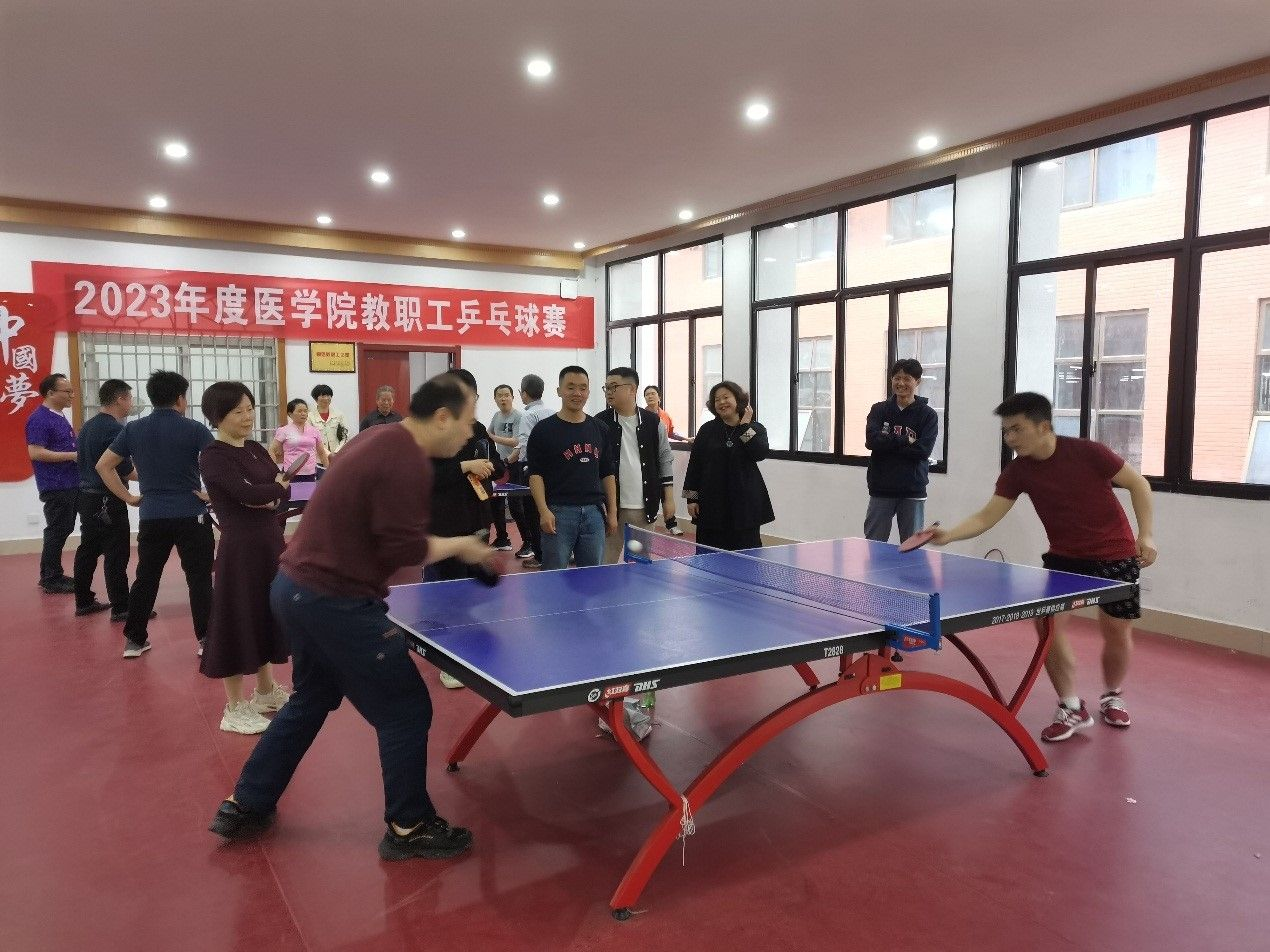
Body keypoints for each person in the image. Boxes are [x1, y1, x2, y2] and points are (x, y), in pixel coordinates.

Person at [207, 373, 495, 863]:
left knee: (312, 698)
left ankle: (246, 802)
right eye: (468, 422)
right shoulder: (406, 460)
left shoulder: (378, 437)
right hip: (334, 600)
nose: (470, 433)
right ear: (444, 417)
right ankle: (409, 826)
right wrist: (466, 546)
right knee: (405, 709)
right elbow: (400, 547)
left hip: (293, 588)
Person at [925, 392, 1157, 743]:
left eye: (1016, 429)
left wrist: (1147, 535)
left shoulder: (1089, 453)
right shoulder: (1018, 471)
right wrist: (950, 535)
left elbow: (1139, 484)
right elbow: (988, 515)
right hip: (1064, 557)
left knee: (1116, 632)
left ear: (1044, 426)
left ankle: (1112, 694)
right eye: (1006, 431)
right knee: (1047, 626)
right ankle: (1071, 706)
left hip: (1115, 555)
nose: (1010, 438)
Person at [96, 370, 215, 659]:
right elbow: (220, 464)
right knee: (199, 579)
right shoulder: (194, 428)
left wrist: (128, 498)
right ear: (180, 398)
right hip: (191, 515)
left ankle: (135, 641)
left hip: (152, 516)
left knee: (146, 578)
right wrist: (211, 493)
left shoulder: (133, 429)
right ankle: (207, 640)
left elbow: (103, 466)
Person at [199, 382, 294, 735]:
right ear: (217, 416)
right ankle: (235, 707)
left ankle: (265, 691)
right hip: (240, 550)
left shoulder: (255, 448)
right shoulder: (213, 455)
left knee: (266, 613)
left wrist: (272, 493)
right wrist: (273, 490)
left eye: (250, 409)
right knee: (237, 618)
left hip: (270, 543)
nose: (247, 416)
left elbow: (276, 490)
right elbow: (247, 493)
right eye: (238, 411)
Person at [527, 366, 617, 570]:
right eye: (571, 387)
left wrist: (612, 513)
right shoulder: (543, 430)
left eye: (583, 388)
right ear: (559, 391)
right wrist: (543, 511)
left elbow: (608, 473)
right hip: (558, 513)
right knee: (554, 576)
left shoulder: (600, 429)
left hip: (594, 513)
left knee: (592, 577)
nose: (577, 393)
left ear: (588, 392)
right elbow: (535, 475)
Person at [683, 381, 774, 550]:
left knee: (746, 554)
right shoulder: (707, 430)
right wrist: (691, 498)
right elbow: (695, 464)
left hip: (744, 505)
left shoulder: (754, 428)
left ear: (738, 399)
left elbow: (759, 453)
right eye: (717, 400)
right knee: (708, 554)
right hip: (711, 503)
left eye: (726, 397)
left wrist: (744, 427)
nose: (721, 402)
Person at [73, 379, 137, 618]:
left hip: (86, 498)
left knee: (88, 550)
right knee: (116, 553)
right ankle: (121, 607)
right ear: (120, 399)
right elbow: (125, 471)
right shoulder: (114, 429)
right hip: (107, 500)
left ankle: (83, 601)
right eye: (130, 398)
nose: (131, 403)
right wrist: (157, 476)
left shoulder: (88, 426)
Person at [599, 367, 676, 564]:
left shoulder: (653, 422)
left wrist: (668, 499)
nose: (609, 391)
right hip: (610, 507)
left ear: (632, 389)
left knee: (640, 561)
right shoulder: (600, 422)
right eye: (606, 387)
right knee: (605, 562)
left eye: (614, 386)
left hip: (644, 506)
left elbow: (664, 458)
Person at [863, 358, 940, 543]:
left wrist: (886, 445)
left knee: (911, 546)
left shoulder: (928, 415)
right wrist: (906, 440)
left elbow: (923, 451)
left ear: (917, 381)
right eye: (897, 378)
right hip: (881, 488)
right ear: (891, 380)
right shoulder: (879, 410)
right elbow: (871, 441)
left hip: (913, 490)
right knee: (873, 544)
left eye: (907, 379)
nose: (901, 383)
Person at [25, 373, 79, 594]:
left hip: (69, 482)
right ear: (50, 393)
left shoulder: (59, 416)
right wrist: (73, 456)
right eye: (67, 391)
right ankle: (50, 577)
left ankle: (52, 573)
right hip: (56, 484)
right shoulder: (40, 419)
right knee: (57, 530)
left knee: (63, 528)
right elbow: (36, 452)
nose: (71, 395)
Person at [506, 373, 554, 568]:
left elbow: (524, 444)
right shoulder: (551, 412)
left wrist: (511, 462)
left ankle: (540, 555)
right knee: (552, 510)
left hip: (532, 470)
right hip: (554, 470)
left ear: (523, 393)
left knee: (533, 513)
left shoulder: (527, 415)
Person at [487, 383, 522, 552]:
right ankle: (502, 538)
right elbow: (488, 435)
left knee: (516, 505)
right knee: (496, 503)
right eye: (499, 396)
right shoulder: (496, 416)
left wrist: (494, 438)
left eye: (506, 395)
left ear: (512, 397)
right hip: (499, 466)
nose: (503, 398)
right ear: (495, 399)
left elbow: (516, 441)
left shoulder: (518, 416)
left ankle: (528, 542)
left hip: (515, 464)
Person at [270, 398, 329, 481]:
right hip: (289, 473)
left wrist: (328, 472)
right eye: (299, 411)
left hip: (310, 473)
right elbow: (272, 450)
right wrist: (273, 471)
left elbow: (322, 453)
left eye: (305, 411)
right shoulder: (283, 430)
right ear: (290, 414)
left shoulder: (314, 430)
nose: (303, 413)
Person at [309, 384, 350, 459]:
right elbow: (311, 439)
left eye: (328, 395)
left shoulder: (339, 415)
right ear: (316, 398)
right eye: (323, 396)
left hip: (337, 456)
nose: (326, 398)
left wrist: (336, 452)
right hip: (318, 458)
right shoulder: (309, 417)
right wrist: (328, 454)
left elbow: (346, 436)